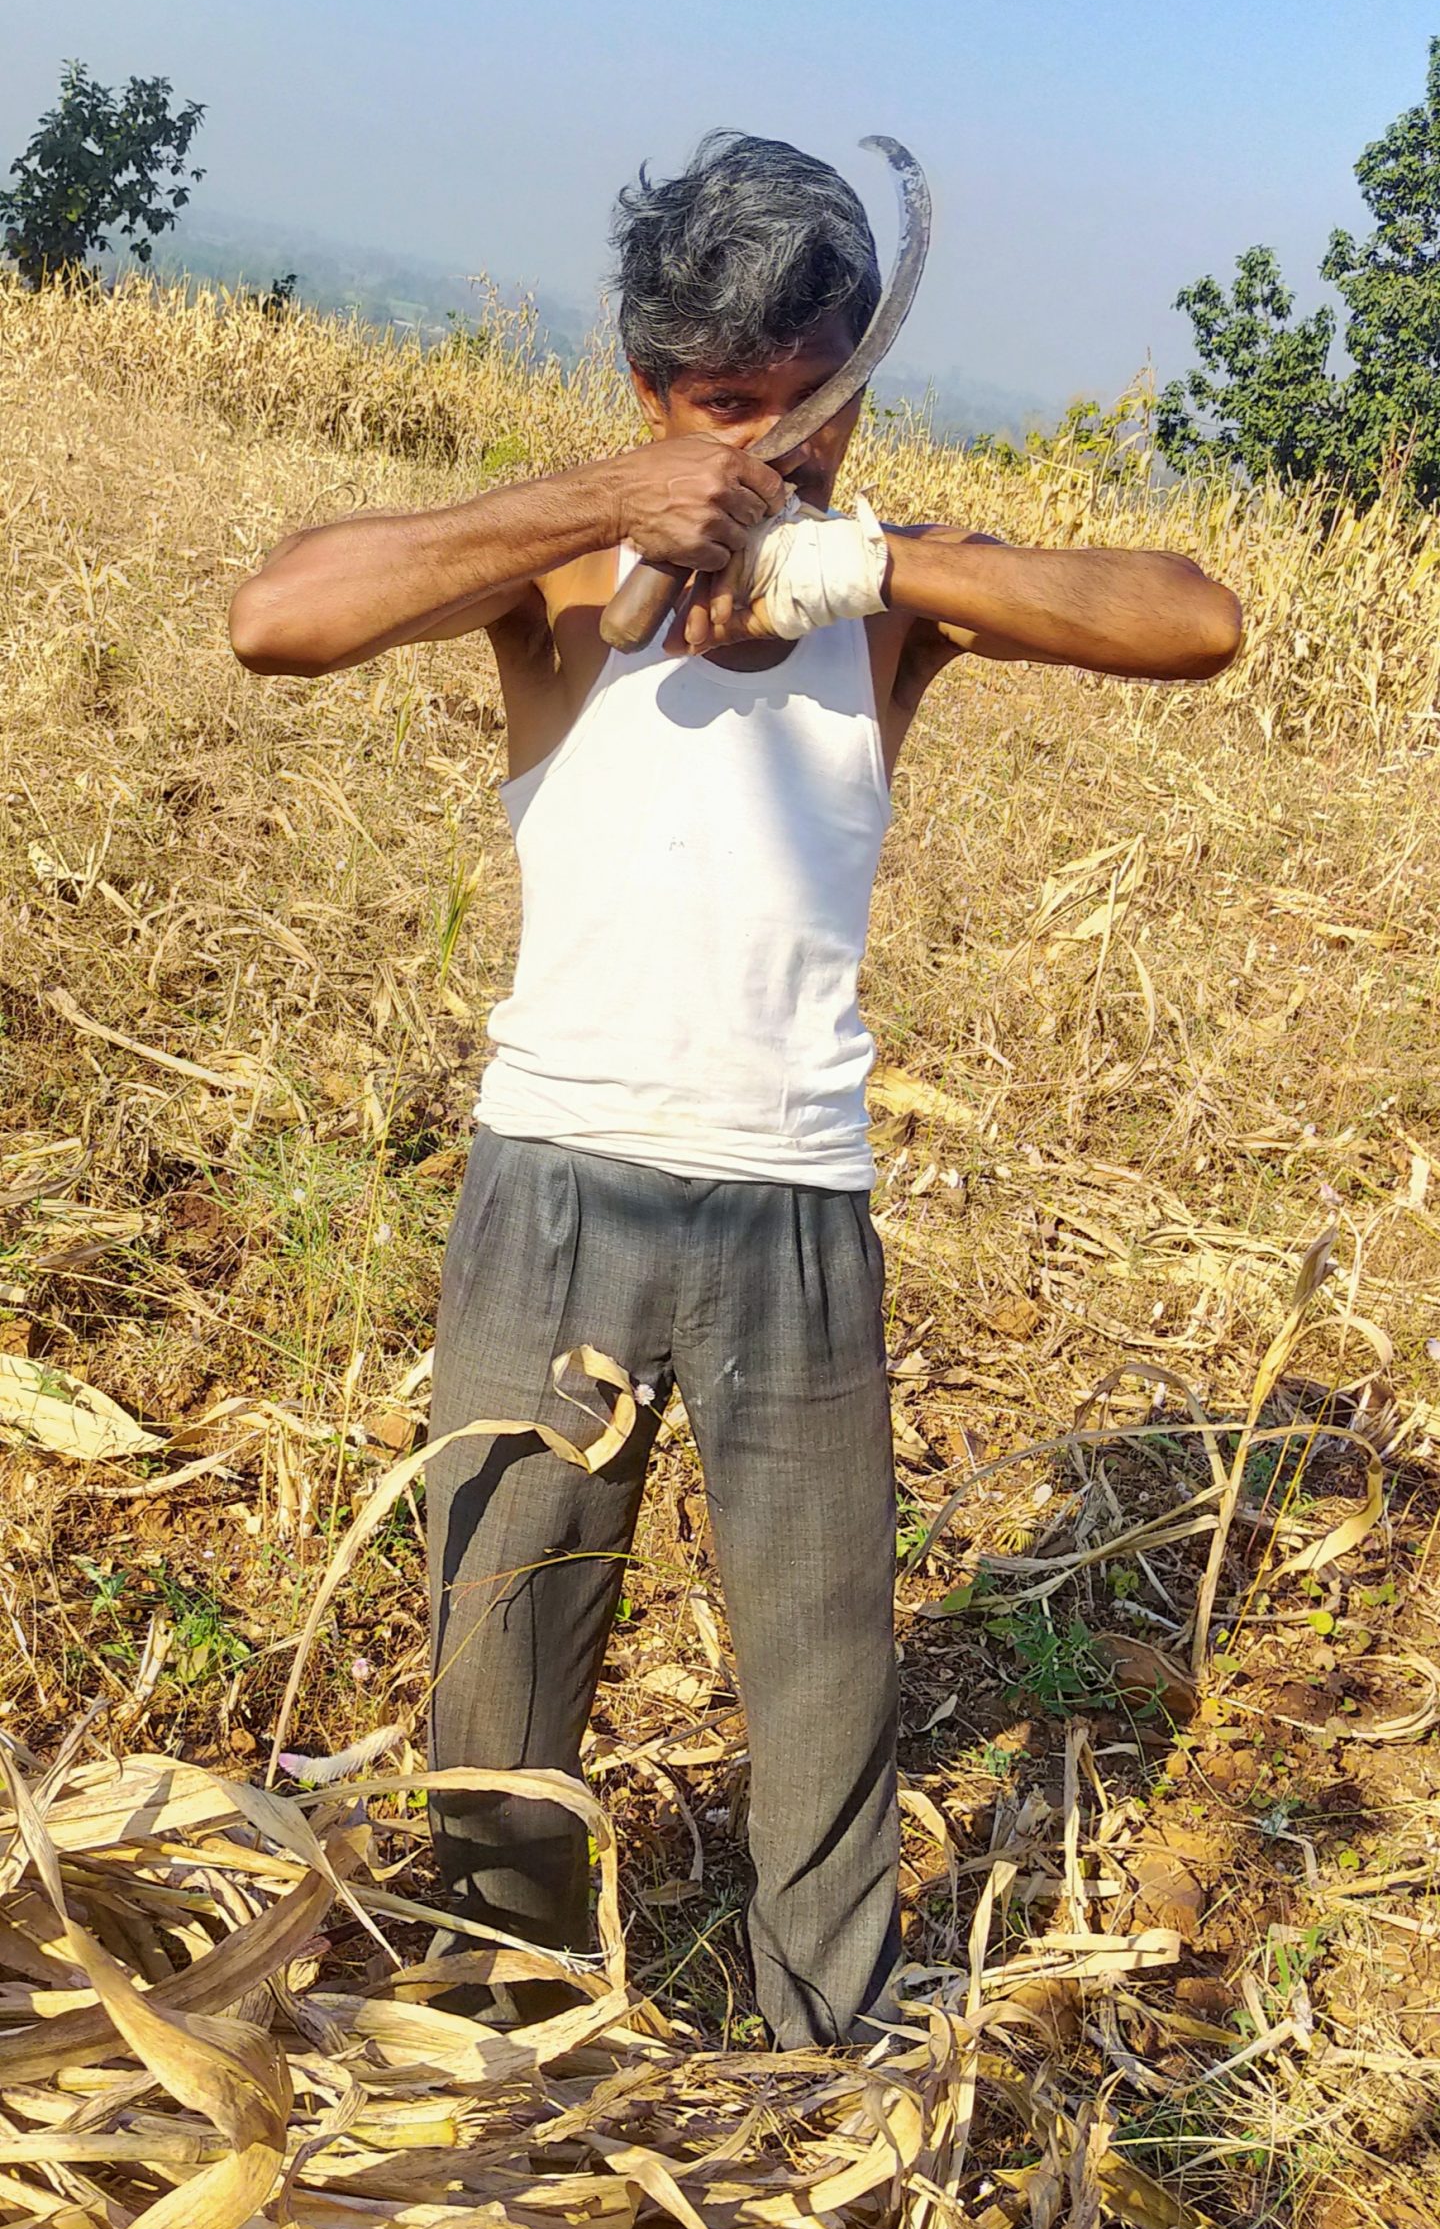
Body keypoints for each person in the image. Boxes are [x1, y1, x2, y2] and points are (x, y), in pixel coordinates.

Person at [230, 132, 1241, 2047]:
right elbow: (280, 614)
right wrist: (619, 505)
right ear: (646, 393)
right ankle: (489, 2048)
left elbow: (1193, 619)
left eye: (809, 408)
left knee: (827, 1696)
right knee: (501, 1674)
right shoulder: (555, 577)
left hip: (793, 1209)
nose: (771, 449)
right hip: (555, 1192)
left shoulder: (887, 602)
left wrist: (838, 555)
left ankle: (825, 2097)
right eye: (723, 411)